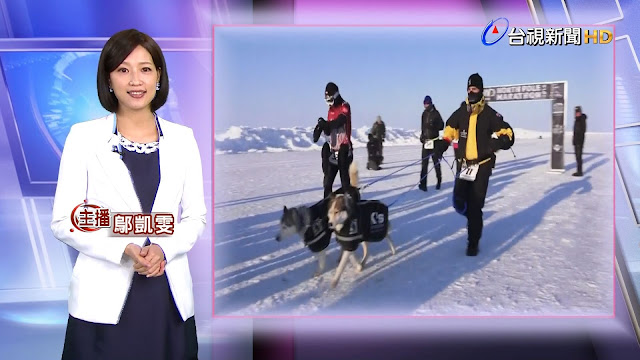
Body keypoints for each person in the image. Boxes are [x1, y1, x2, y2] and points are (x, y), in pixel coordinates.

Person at [51, 29, 206, 359]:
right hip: (102, 303)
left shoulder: (183, 139)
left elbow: (195, 217)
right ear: (108, 79)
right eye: (123, 69)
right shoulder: (83, 138)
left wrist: (163, 247)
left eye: (145, 69)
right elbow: (64, 221)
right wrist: (123, 248)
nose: (136, 80)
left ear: (159, 77)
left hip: (167, 300)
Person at [432, 73, 513, 256]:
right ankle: (474, 219)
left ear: (481, 90)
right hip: (464, 166)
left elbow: (508, 134)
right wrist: (443, 143)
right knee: (458, 202)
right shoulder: (461, 112)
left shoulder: (490, 114)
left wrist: (495, 143)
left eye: (474, 89)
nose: (471, 91)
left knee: (475, 205)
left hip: (482, 166)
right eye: (469, 89)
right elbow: (450, 130)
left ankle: (473, 241)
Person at [313, 82, 354, 198]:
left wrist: (327, 124)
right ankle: (326, 206)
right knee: (327, 182)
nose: (329, 103)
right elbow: (329, 130)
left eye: (330, 99)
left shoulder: (345, 106)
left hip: (344, 150)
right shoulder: (330, 110)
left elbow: (341, 121)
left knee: (344, 180)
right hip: (334, 149)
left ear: (335, 95)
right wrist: (321, 127)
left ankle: (349, 202)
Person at [419, 95, 444, 191]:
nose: (425, 106)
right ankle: (423, 184)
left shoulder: (436, 113)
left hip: (435, 142)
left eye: (427, 104)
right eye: (424, 104)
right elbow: (422, 127)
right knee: (424, 164)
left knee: (436, 163)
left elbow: (442, 125)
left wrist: (434, 126)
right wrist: (422, 136)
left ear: (430, 103)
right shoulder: (424, 114)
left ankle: (439, 181)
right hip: (426, 142)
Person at [573, 105, 587, 176]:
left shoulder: (581, 119)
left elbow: (582, 131)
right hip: (576, 141)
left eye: (578, 112)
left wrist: (579, 141)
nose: (577, 113)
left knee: (579, 157)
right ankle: (578, 171)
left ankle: (579, 172)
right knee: (577, 157)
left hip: (579, 141)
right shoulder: (577, 120)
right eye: (576, 112)